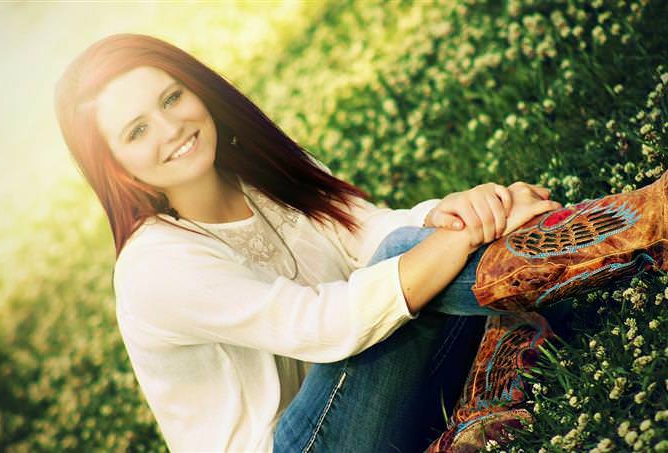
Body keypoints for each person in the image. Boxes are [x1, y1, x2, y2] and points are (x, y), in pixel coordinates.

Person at [53, 33, 666, 452]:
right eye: (137, 131)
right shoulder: (155, 268)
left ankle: (575, 269)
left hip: (360, 406)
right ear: (119, 169)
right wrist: (455, 241)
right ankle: (627, 232)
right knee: (410, 272)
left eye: (171, 97)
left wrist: (467, 212)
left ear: (196, 88)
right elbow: (328, 324)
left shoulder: (257, 170)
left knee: (410, 257)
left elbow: (369, 229)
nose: (172, 128)